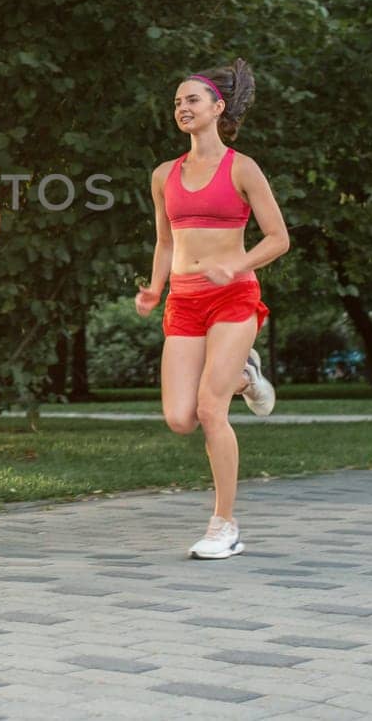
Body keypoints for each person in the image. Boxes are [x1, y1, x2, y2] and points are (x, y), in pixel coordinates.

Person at [135, 59, 289, 559]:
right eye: (178, 101)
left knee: (208, 408)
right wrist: (155, 288)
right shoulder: (164, 175)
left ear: (217, 108)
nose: (182, 108)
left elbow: (279, 239)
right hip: (183, 299)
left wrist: (237, 264)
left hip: (232, 296)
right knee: (180, 418)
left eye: (192, 100)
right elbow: (163, 241)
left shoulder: (242, 168)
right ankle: (245, 377)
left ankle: (224, 523)